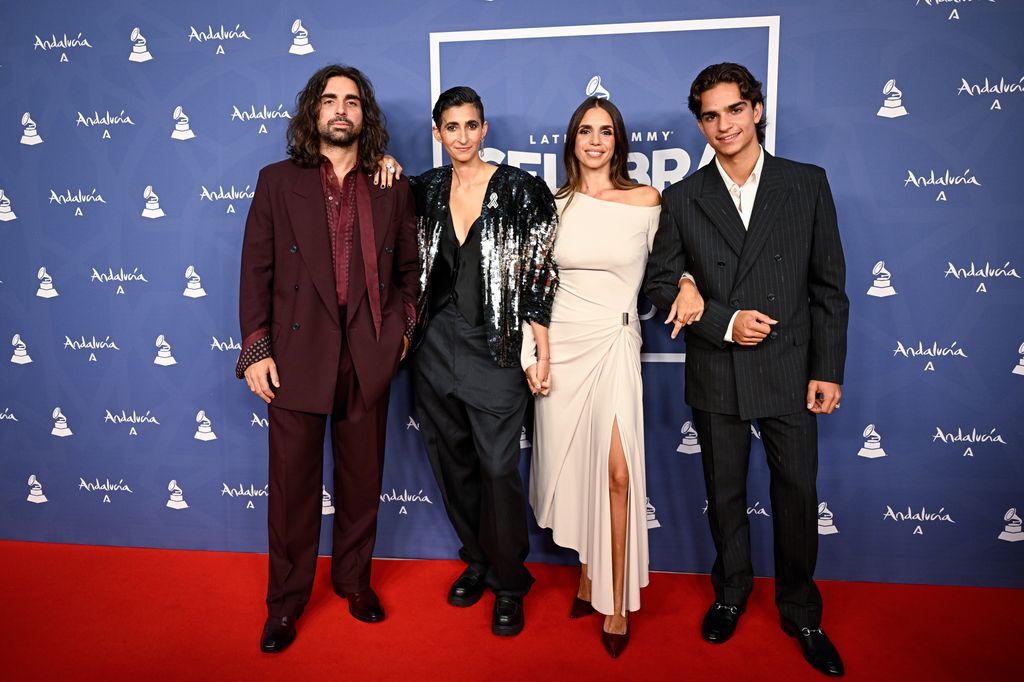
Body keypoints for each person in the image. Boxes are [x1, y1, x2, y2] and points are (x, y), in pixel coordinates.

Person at [645, 63, 849, 677]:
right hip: (717, 367)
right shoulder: (683, 196)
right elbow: (660, 283)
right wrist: (724, 320)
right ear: (700, 125)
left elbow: (829, 288)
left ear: (756, 110)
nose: (724, 125)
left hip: (790, 368)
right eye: (710, 115)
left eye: (734, 110)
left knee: (798, 494)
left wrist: (828, 369)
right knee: (725, 492)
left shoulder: (806, 183)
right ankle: (731, 593)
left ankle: (801, 611)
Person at [237, 64, 418, 654]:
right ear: (313, 110)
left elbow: (409, 272)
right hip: (296, 353)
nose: (342, 109)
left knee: (362, 481)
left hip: (367, 352)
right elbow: (256, 270)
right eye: (330, 99)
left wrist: (400, 334)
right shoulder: (276, 181)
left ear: (365, 115)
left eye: (353, 101)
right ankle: (285, 604)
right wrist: (256, 349)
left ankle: (354, 582)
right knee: (292, 488)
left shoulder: (391, 184)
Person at [410, 86, 558, 637]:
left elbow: (543, 268)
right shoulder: (423, 190)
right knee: (452, 461)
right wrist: (383, 163)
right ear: (437, 133)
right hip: (433, 347)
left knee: (497, 467)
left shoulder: (521, 189)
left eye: (471, 125)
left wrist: (540, 344)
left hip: (496, 348)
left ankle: (510, 581)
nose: (462, 136)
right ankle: (476, 559)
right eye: (452, 127)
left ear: (484, 129)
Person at [523, 97, 661, 658]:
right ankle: (586, 575)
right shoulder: (551, 204)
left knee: (619, 474)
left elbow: (672, 265)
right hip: (561, 348)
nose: (596, 141)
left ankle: (618, 602)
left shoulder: (646, 201)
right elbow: (533, 286)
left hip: (615, 341)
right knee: (577, 469)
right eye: (586, 130)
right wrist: (535, 356)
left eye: (606, 131)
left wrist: (689, 284)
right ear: (572, 140)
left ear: (618, 141)